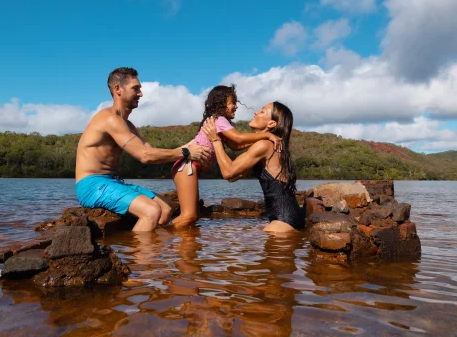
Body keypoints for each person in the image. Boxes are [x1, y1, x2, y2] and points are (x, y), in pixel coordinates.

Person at [75, 67, 211, 232]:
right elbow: (144, 156)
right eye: (136, 88)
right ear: (118, 89)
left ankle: (149, 252)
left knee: (166, 208)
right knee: (151, 210)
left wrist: (188, 146)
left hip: (112, 181)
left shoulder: (128, 125)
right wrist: (185, 152)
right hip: (92, 185)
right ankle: (139, 257)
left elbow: (150, 150)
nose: (141, 94)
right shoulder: (110, 119)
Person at [171, 85, 282, 229]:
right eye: (232, 102)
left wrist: (258, 139)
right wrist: (266, 134)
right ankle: (161, 236)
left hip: (189, 167)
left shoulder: (220, 121)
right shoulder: (219, 119)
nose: (236, 106)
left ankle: (172, 240)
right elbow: (239, 138)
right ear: (221, 104)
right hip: (186, 166)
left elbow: (236, 146)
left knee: (192, 216)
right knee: (189, 216)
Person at [201, 101, 305, 232]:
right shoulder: (270, 145)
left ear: (271, 124)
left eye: (262, 111)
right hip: (290, 215)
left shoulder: (264, 145)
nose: (256, 112)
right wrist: (222, 139)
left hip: (282, 221)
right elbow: (233, 177)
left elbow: (228, 172)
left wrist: (215, 140)